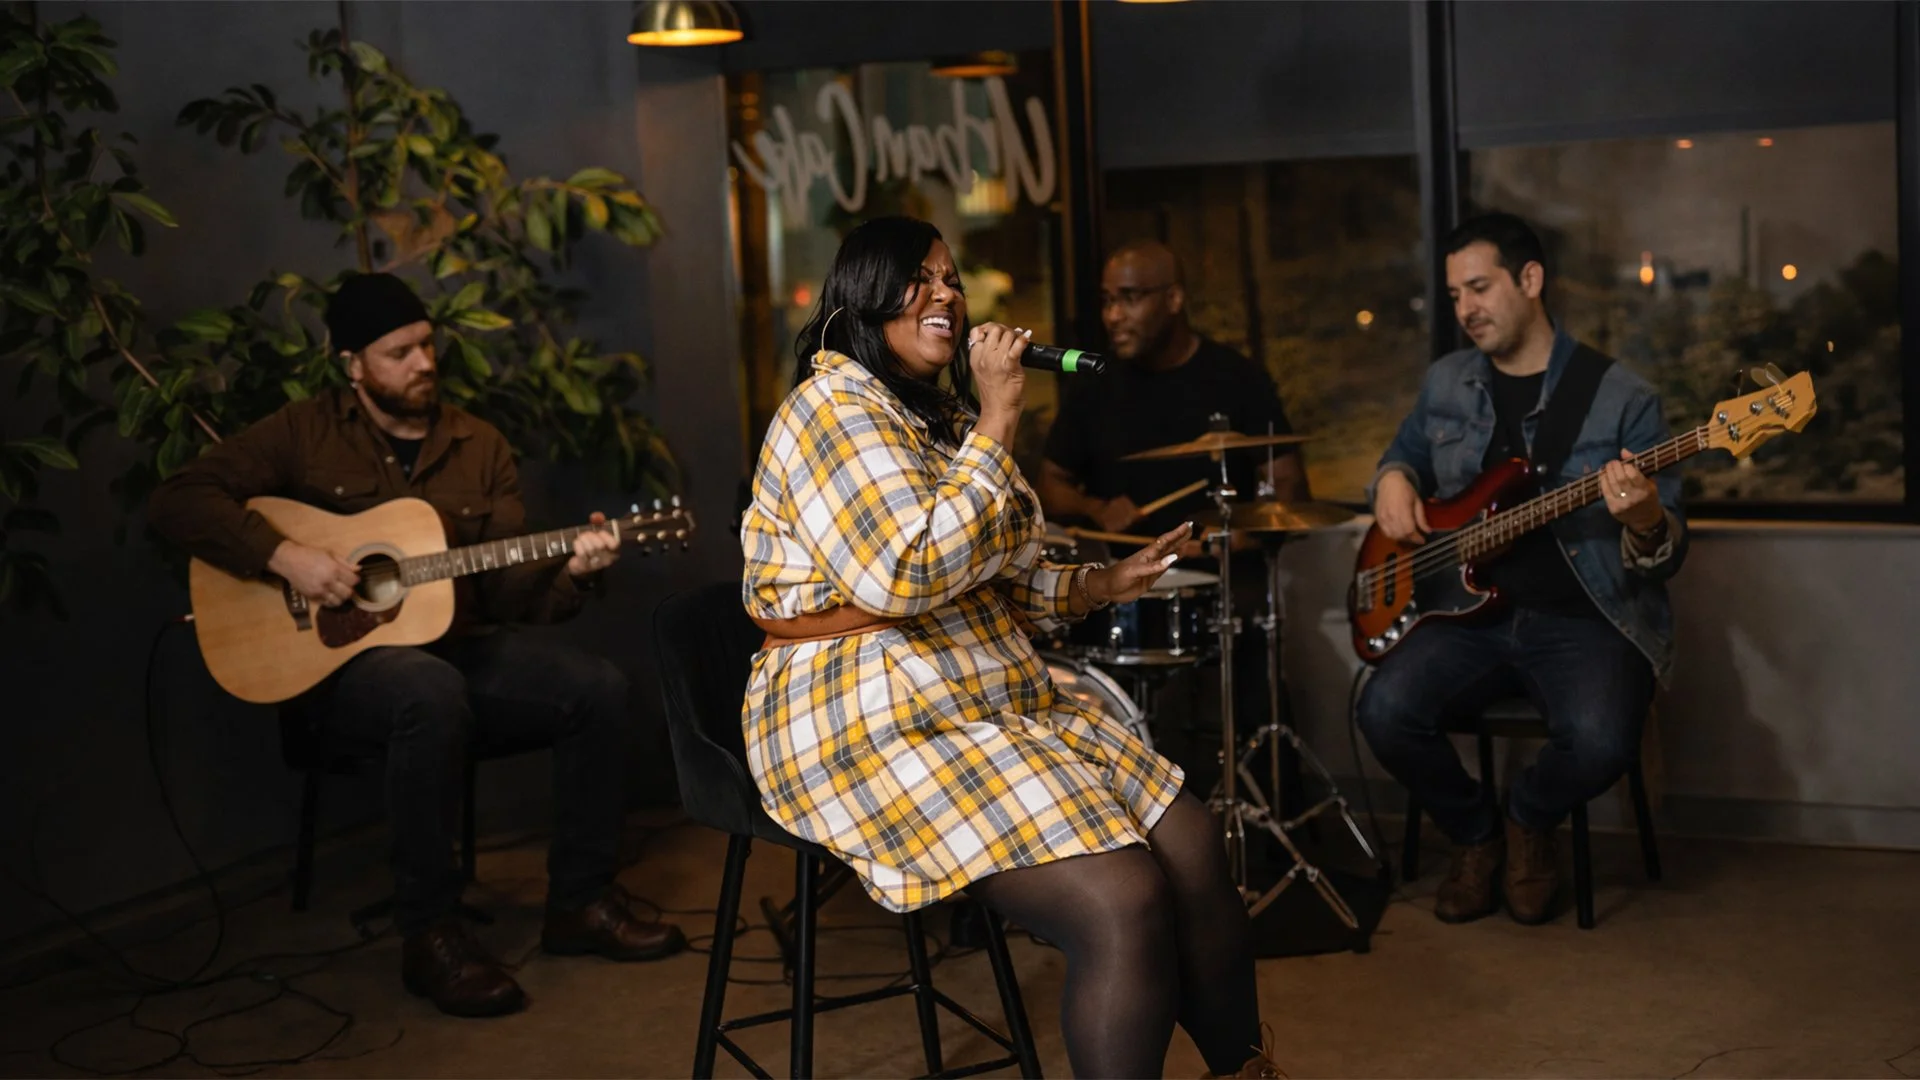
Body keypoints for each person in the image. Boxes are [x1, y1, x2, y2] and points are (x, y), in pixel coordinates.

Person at [739, 217, 1278, 1079]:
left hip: (980, 692)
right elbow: (907, 573)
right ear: (867, 294)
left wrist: (1102, 583)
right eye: (923, 278)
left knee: (1190, 844)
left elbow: (1006, 574)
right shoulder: (830, 411)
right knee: (1122, 900)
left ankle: (1247, 1075)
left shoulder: (942, 419)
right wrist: (1000, 414)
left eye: (951, 278)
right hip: (861, 710)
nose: (948, 294)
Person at [147, 272, 684, 1018]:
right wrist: (284, 556)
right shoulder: (304, 432)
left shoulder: (479, 445)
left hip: (455, 652)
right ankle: (431, 934)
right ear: (353, 364)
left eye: (428, 345)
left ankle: (580, 903)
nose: (424, 363)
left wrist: (573, 571)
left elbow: (508, 594)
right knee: (426, 691)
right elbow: (177, 500)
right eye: (399, 352)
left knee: (599, 687)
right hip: (342, 677)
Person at [1357, 213, 1688, 925]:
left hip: (1584, 618)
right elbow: (1405, 454)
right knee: (1382, 711)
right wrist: (1390, 478)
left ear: (1530, 280)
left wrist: (1643, 519)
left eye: (1479, 287)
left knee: (1602, 741)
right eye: (1454, 295)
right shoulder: (1447, 381)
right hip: (1467, 616)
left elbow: (1667, 552)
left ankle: (1526, 818)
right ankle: (1474, 836)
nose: (1465, 309)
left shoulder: (1623, 397)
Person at [1039, 240, 1309, 789]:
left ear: (1174, 298)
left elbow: (1290, 492)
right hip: (1117, 592)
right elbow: (1050, 484)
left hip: (1219, 585)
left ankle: (1272, 819)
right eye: (1108, 300)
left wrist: (1215, 543)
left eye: (1131, 298)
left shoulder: (1236, 380)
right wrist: (1095, 507)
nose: (1114, 315)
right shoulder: (1097, 387)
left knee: (1254, 686)